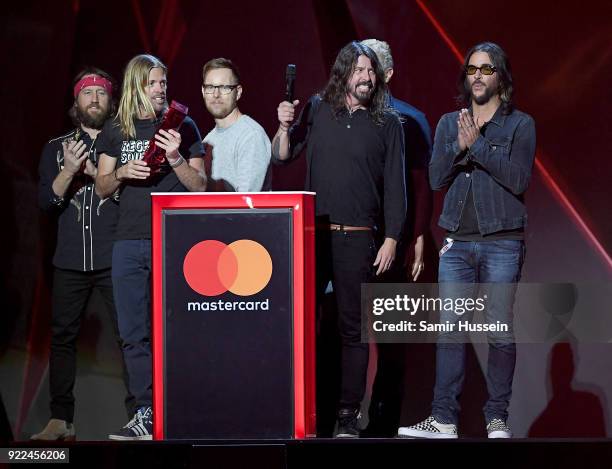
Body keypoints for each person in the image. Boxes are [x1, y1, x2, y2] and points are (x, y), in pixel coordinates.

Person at [398, 42, 536, 439]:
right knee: (450, 331)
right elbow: (438, 178)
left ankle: (496, 418)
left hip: (502, 242)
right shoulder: (448, 123)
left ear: (500, 77)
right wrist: (459, 146)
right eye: (472, 68)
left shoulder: (520, 124)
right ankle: (443, 419)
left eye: (486, 68)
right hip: (457, 242)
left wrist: (478, 146)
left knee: (499, 329)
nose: (477, 75)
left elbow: (519, 179)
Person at [272, 41, 406, 438]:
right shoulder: (317, 110)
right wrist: (283, 126)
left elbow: (397, 189)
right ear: (343, 73)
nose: (367, 77)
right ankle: (303, 410)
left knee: (353, 329)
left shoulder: (389, 123)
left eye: (371, 71)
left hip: (359, 238)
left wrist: (393, 238)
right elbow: (282, 156)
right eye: (359, 70)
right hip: (314, 236)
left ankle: (348, 415)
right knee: (304, 325)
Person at [95, 54, 206, 440]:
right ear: (137, 86)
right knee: (132, 333)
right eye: (155, 83)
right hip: (127, 241)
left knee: (172, 330)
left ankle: (180, 407)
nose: (162, 89)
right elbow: (102, 186)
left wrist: (175, 157)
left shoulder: (183, 125)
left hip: (172, 240)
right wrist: (123, 173)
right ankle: (145, 412)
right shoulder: (116, 130)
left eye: (164, 82)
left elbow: (201, 187)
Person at [33, 68, 132, 440]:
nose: (94, 98)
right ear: (75, 102)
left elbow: (130, 199)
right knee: (62, 337)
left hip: (113, 256)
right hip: (70, 260)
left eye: (101, 93)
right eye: (86, 92)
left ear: (111, 100)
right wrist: (69, 171)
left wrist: (95, 174)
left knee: (131, 336)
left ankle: (142, 414)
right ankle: (61, 420)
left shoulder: (124, 142)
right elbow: (46, 202)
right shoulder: (55, 146)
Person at [359, 38, 433, 437]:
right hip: (351, 239)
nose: (364, 74)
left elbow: (421, 184)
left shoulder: (409, 119)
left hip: (396, 240)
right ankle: (341, 417)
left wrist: (417, 235)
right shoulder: (343, 115)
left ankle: (384, 421)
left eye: (371, 67)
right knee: (344, 328)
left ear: (386, 74)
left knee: (390, 335)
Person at [201, 58, 271, 191]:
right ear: (203, 92)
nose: (216, 94)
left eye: (224, 87)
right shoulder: (208, 140)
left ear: (238, 92)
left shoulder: (251, 135)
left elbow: (246, 201)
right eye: (210, 87)